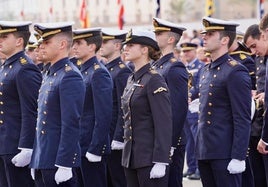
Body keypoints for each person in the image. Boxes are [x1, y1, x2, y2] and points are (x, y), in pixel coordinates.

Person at [196, 17, 251, 187]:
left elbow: (242, 117)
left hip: (225, 152)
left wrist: (239, 156)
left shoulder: (235, 71)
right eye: (205, 33)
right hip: (205, 150)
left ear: (225, 40)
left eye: (211, 34)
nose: (204, 37)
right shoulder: (206, 70)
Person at [30, 22, 85, 187]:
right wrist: (36, 158)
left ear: (62, 44)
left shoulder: (69, 76)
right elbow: (41, 121)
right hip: (44, 159)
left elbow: (71, 123)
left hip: (57, 162)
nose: (41, 46)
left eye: (46, 42)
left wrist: (65, 163)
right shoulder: (50, 73)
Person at [121, 29, 172, 187]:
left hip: (149, 158)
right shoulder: (132, 78)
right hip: (131, 157)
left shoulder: (154, 79)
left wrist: (161, 160)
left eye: (131, 45)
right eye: (125, 45)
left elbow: (163, 122)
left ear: (144, 50)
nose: (125, 48)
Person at [0, 21, 41, 187]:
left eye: (4, 37)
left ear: (19, 41)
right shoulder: (7, 66)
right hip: (4, 143)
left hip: (16, 146)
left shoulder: (25, 68)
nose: (0, 40)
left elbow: (31, 111)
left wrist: (27, 147)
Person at [72, 28, 113, 187]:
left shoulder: (98, 73)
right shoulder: (82, 70)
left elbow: (103, 115)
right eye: (74, 43)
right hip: (79, 144)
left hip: (91, 146)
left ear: (91, 47)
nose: (74, 46)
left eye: (79, 43)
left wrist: (96, 148)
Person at [152, 17, 188, 187]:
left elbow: (178, 108)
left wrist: (171, 143)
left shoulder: (175, 67)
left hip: (171, 141)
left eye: (159, 33)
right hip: (159, 139)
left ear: (171, 39)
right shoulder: (158, 65)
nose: (155, 36)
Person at [99, 28, 131, 187]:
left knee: (118, 180)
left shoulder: (122, 72)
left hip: (114, 138)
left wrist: (119, 137)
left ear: (118, 45)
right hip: (105, 136)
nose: (101, 45)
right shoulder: (106, 69)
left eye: (105, 42)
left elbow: (123, 108)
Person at [244, 24, 268, 187]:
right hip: (256, 125)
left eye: (254, 45)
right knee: (257, 177)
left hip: (265, 128)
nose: (253, 51)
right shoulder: (257, 57)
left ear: (263, 36)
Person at [180, 42, 204, 180]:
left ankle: (199, 169)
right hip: (186, 109)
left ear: (194, 51)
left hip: (195, 108)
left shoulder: (200, 66)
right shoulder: (183, 67)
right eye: (184, 51)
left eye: (188, 51)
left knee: (196, 140)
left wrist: (188, 94)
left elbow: (199, 86)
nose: (185, 54)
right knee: (188, 140)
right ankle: (191, 167)